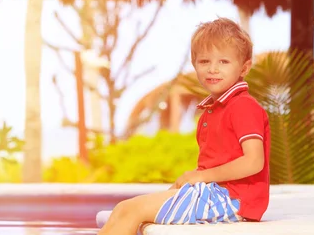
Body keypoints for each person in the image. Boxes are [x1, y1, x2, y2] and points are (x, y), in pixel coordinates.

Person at [97, 18, 271, 235]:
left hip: (233, 200)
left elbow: (254, 162)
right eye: (205, 61)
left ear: (244, 67)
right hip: (215, 193)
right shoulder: (213, 109)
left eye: (224, 62)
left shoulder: (243, 105)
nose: (213, 69)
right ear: (194, 64)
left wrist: (199, 177)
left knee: (132, 211)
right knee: (123, 209)